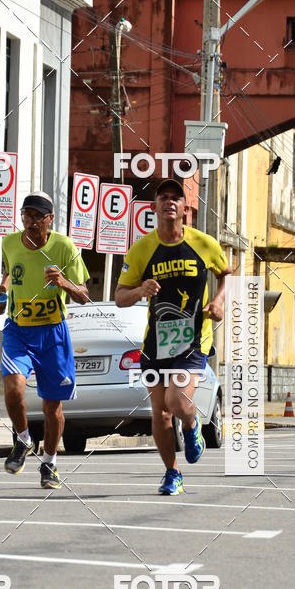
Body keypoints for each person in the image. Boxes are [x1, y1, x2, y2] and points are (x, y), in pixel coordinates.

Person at [115, 177, 231, 495]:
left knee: (176, 400)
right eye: (163, 197)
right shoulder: (142, 249)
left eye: (175, 198)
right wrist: (141, 289)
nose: (169, 202)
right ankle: (172, 473)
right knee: (160, 413)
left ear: (184, 208)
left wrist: (218, 301)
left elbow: (226, 274)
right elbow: (119, 297)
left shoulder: (204, 244)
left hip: (194, 337)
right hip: (156, 342)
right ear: (154, 207)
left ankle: (193, 427)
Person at [0, 191, 90, 489]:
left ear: (50, 219)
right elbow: (7, 280)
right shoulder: (9, 243)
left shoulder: (64, 247)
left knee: (52, 408)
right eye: (26, 215)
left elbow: (84, 295)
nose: (30, 222)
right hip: (18, 330)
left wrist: (63, 282)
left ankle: (49, 464)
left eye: (36, 216)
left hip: (52, 333)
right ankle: (22, 439)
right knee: (12, 389)